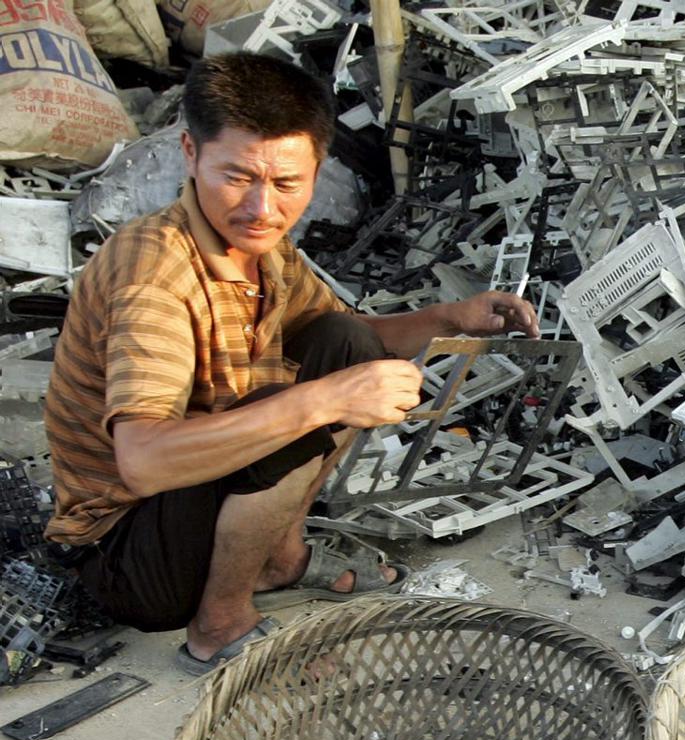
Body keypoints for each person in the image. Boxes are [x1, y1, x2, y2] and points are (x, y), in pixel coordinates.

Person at [42, 52, 538, 673]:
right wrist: (323, 402)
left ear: (314, 169)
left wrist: (450, 318)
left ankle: (277, 560)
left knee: (341, 344)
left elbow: (347, 336)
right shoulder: (155, 274)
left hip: (182, 507)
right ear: (191, 153)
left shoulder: (262, 249)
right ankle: (217, 627)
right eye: (238, 177)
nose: (262, 209)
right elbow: (143, 462)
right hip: (126, 556)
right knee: (294, 408)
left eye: (285, 184)